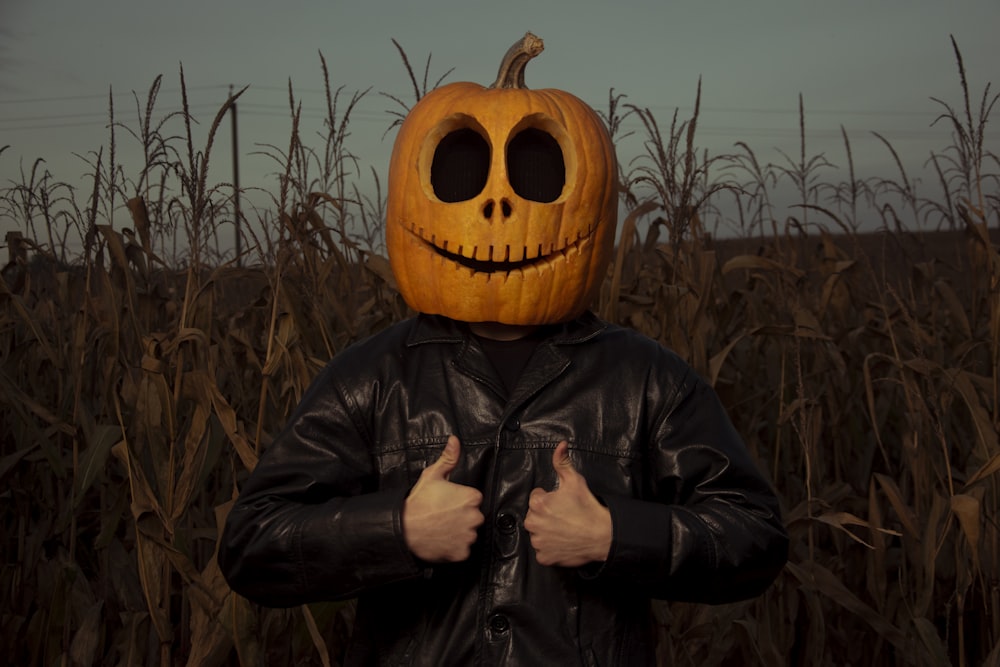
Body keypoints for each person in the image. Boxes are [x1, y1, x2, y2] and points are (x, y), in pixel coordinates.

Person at [218, 33, 788, 666]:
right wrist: (397, 529)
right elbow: (251, 544)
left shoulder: (645, 380)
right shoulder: (373, 379)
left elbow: (755, 537)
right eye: (461, 173)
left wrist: (613, 535)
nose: (496, 203)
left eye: (536, 173)